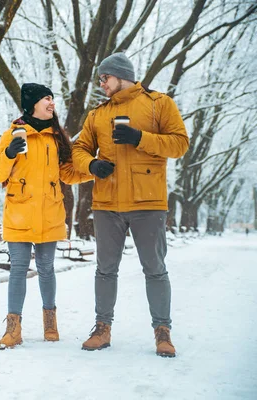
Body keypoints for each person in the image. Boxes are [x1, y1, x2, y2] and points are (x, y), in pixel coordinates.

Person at [72, 53, 189, 357]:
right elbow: (80, 149)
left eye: (105, 78)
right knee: (105, 270)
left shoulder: (157, 103)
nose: (101, 84)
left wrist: (140, 137)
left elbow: (179, 143)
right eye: (100, 79)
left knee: (155, 269)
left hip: (147, 202)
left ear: (121, 75)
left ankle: (162, 331)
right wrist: (92, 165)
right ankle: (102, 328)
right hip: (107, 203)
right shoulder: (97, 114)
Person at [0, 83, 94, 350]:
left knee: (47, 269)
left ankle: (50, 322)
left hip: (49, 212)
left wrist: (94, 169)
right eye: (47, 98)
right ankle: (13, 329)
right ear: (33, 103)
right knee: (18, 269)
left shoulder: (57, 137)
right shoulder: (13, 134)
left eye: (52, 98)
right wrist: (10, 153)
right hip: (19, 212)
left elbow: (68, 174)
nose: (51, 103)